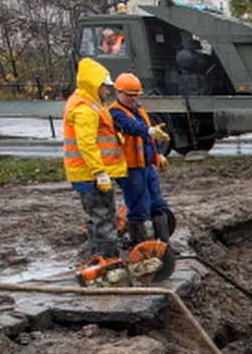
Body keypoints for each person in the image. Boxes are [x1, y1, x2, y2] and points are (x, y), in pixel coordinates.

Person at [63, 58, 127, 259]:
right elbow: (87, 144)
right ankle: (108, 262)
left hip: (88, 173)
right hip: (89, 174)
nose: (107, 92)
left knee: (98, 218)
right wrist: (99, 172)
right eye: (104, 87)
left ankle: (97, 258)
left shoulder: (90, 104)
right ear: (94, 85)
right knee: (103, 219)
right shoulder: (85, 109)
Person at [108, 73, 173, 245]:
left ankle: (163, 244)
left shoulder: (139, 110)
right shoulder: (115, 112)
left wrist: (157, 154)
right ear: (118, 93)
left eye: (135, 94)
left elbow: (148, 138)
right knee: (138, 205)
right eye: (129, 95)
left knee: (157, 203)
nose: (133, 98)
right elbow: (131, 128)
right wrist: (150, 131)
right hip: (129, 167)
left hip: (144, 165)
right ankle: (140, 245)